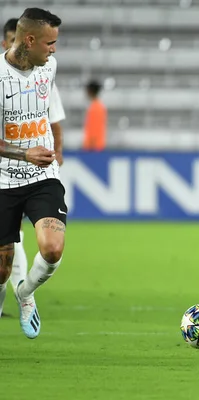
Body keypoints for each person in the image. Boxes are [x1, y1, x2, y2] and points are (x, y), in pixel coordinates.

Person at [0, 8, 66, 339]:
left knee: (53, 249)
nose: (54, 50)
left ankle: (25, 294)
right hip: (2, 180)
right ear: (29, 40)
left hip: (42, 175)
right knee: (2, 267)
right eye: (49, 43)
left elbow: (50, 113)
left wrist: (53, 150)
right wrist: (24, 152)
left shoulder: (48, 67)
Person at [82, 79, 107, 151]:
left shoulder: (95, 107)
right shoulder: (97, 106)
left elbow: (94, 128)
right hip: (96, 146)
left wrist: (91, 146)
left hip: (94, 147)